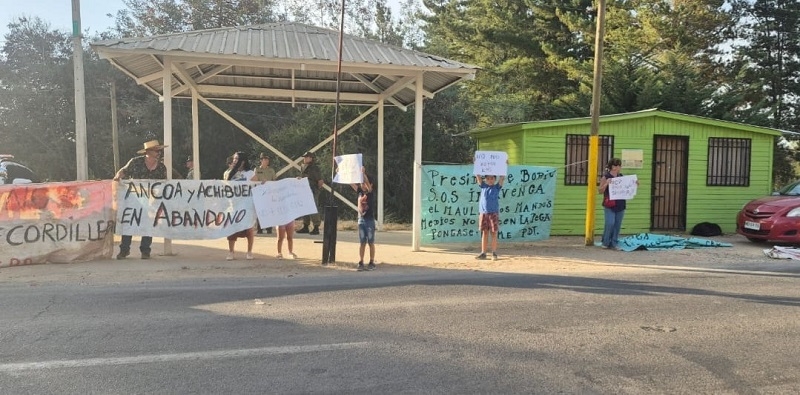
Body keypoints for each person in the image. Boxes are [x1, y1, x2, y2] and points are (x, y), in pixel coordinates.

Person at [113, 139, 168, 260]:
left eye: (159, 150)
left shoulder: (161, 167)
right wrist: (116, 179)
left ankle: (145, 250)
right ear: (148, 151)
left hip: (151, 200)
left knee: (148, 225)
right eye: (156, 150)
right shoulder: (135, 162)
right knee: (129, 223)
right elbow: (123, 172)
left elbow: (164, 184)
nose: (158, 152)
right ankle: (124, 250)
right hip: (134, 199)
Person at [224, 151, 256, 260]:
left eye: (236, 159)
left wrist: (263, 183)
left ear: (243, 161)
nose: (234, 161)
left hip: (247, 206)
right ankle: (231, 252)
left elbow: (257, 187)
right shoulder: (230, 173)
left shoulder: (250, 173)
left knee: (249, 230)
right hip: (234, 206)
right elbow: (225, 187)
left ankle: (249, 252)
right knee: (232, 229)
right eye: (234, 159)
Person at [598, 157, 631, 250]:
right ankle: (606, 241)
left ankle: (614, 243)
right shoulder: (606, 177)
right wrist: (606, 184)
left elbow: (628, 187)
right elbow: (600, 191)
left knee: (617, 224)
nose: (619, 167)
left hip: (620, 203)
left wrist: (634, 183)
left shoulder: (621, 177)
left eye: (619, 165)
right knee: (610, 223)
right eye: (617, 165)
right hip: (610, 204)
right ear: (612, 166)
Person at [475, 173, 505, 260]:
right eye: (488, 178)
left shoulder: (496, 187)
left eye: (492, 178)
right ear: (485, 180)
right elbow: (478, 177)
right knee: (484, 233)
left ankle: (494, 253)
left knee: (494, 233)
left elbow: (502, 177)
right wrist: (476, 164)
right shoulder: (483, 186)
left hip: (493, 213)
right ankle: (483, 253)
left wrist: (505, 166)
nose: (490, 180)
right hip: (483, 213)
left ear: (495, 179)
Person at [352, 167, 376, 271]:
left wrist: (363, 174)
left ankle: (371, 261)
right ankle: (361, 261)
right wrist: (342, 172)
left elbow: (367, 182)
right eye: (361, 183)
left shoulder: (370, 193)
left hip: (370, 220)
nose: (363, 185)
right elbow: (351, 183)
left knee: (370, 242)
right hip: (361, 220)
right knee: (362, 242)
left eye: (364, 183)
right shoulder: (360, 192)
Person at [296, 151, 324, 235]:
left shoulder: (314, 168)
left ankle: (316, 227)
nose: (305, 158)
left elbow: (320, 181)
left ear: (311, 158)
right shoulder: (303, 166)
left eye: (306, 157)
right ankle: (306, 225)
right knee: (305, 208)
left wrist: (317, 190)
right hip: (304, 189)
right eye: (304, 157)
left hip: (312, 189)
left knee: (313, 208)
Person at [251, 152, 276, 235]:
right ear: (261, 160)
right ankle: (260, 228)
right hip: (260, 193)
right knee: (260, 211)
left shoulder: (271, 170)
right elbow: (253, 180)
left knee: (269, 210)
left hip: (269, 193)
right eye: (265, 159)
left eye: (267, 159)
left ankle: (269, 228)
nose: (266, 161)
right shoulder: (257, 170)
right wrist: (261, 182)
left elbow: (274, 181)